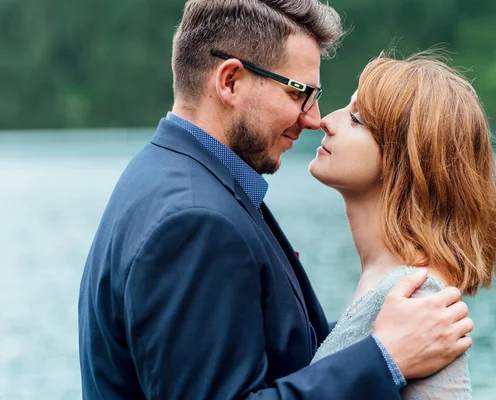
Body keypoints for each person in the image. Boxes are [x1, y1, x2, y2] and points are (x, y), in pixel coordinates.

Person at [78, 1, 473, 399]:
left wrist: (369, 331)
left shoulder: (165, 174)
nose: (314, 117)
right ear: (230, 81)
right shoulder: (196, 220)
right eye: (298, 92)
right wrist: (384, 356)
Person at [308, 52, 496, 398]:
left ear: (407, 159)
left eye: (356, 119)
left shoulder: (419, 295)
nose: (326, 121)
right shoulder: (386, 282)